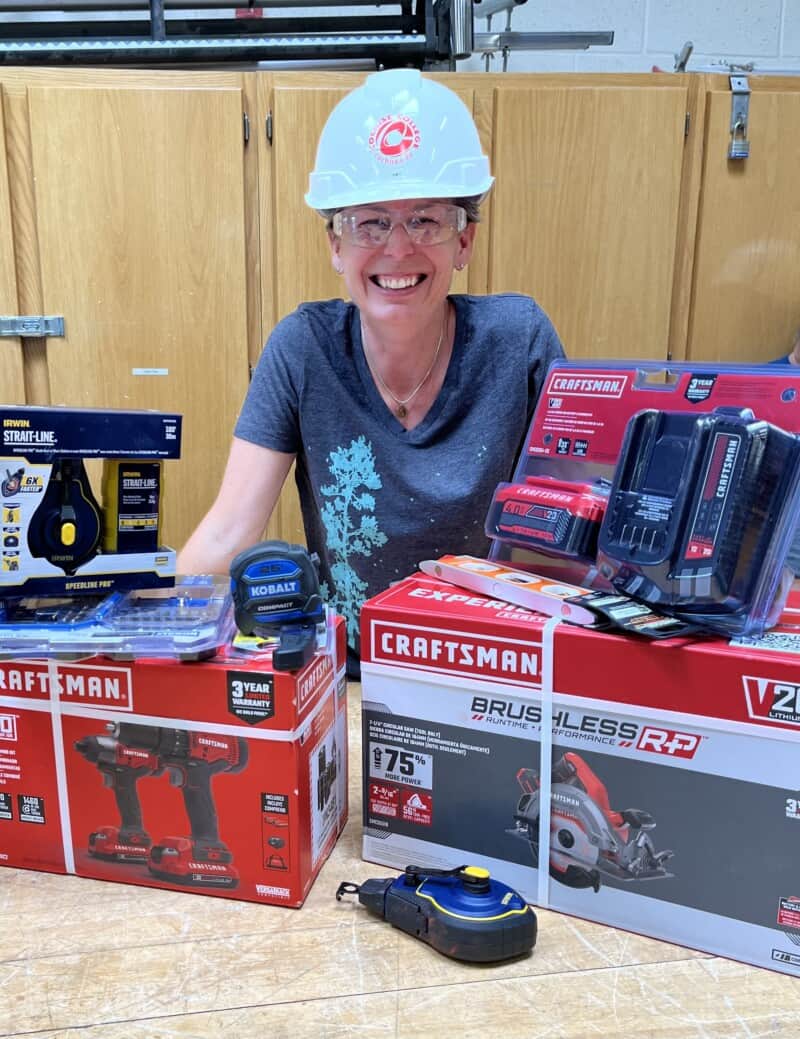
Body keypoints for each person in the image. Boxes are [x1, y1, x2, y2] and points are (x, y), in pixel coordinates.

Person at [178, 68, 565, 670]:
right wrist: (142, 638)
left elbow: (571, 533)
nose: (398, 247)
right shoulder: (303, 348)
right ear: (336, 244)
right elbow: (230, 532)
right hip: (350, 676)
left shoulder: (520, 342)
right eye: (371, 221)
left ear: (464, 242)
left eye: (427, 219)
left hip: (496, 672)